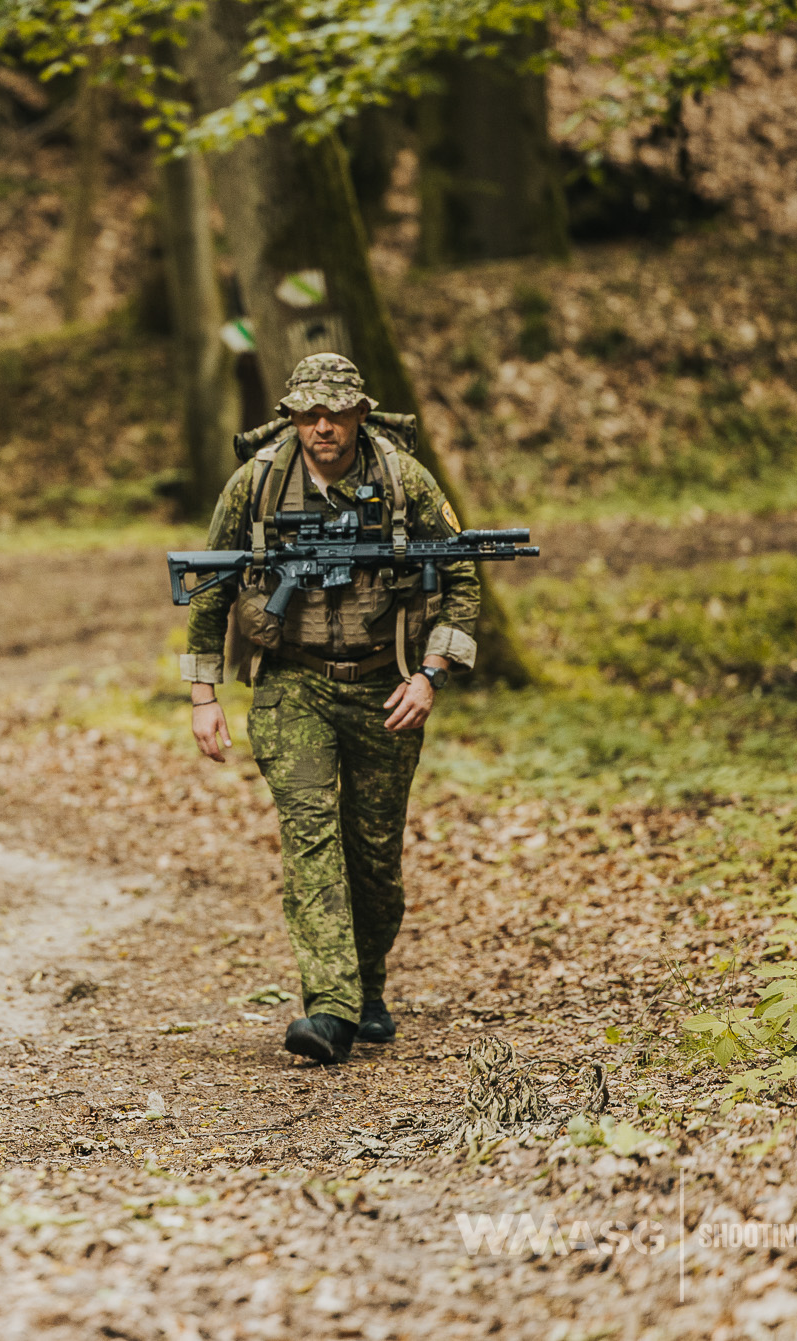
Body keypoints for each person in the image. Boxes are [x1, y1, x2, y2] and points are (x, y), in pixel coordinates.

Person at [182, 354, 480, 1066]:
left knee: (374, 857)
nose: (323, 426)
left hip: (386, 683)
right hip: (292, 686)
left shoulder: (404, 479)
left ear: (359, 414)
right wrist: (203, 693)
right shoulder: (256, 483)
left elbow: (465, 572)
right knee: (311, 837)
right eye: (310, 413)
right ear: (291, 416)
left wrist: (432, 674)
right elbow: (210, 586)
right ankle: (331, 1007)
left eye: (336, 413)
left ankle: (368, 987)